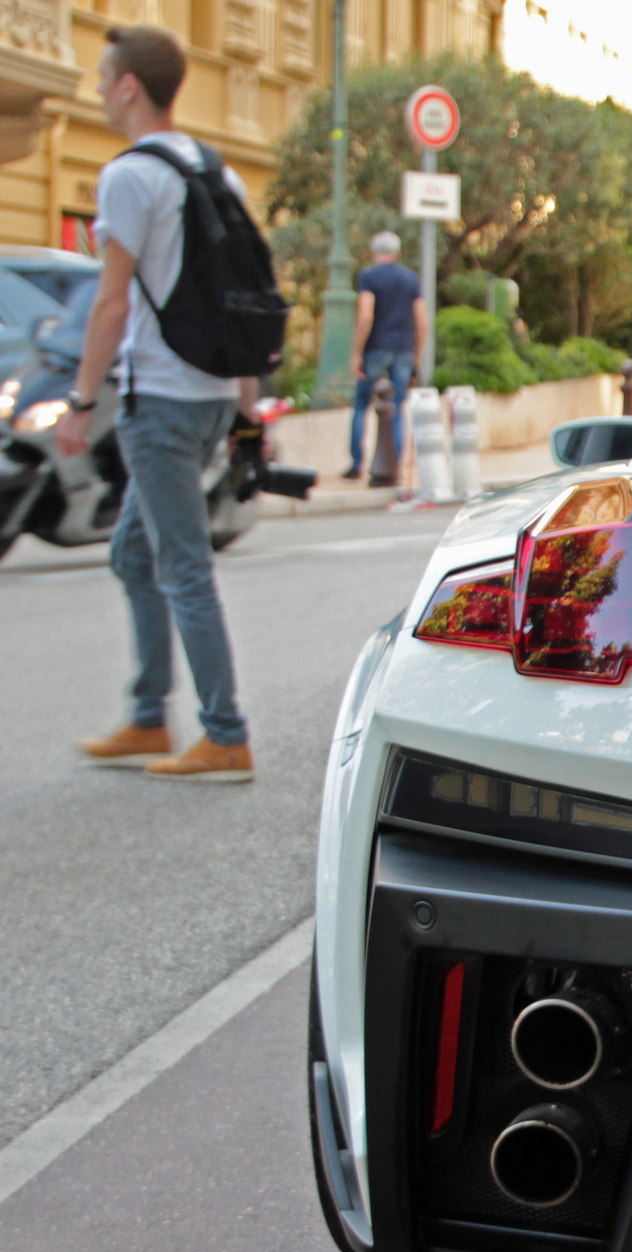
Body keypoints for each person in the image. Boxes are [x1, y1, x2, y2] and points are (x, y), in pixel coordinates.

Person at [62, 24, 256, 783]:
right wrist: (244, 410)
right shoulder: (217, 170)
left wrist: (81, 402)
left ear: (129, 87)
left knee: (180, 565)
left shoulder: (130, 175)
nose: (99, 87)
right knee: (132, 552)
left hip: (163, 399)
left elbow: (111, 305)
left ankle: (225, 733)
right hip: (209, 394)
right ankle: (148, 716)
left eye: (104, 75)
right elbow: (244, 298)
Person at [349, 230, 425, 481]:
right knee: (397, 405)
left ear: (374, 252)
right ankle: (395, 464)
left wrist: (356, 352)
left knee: (361, 403)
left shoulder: (369, 276)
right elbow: (422, 322)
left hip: (375, 348)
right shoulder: (410, 279)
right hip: (404, 348)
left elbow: (365, 315)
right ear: (397, 252)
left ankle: (357, 463)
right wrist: (417, 356)